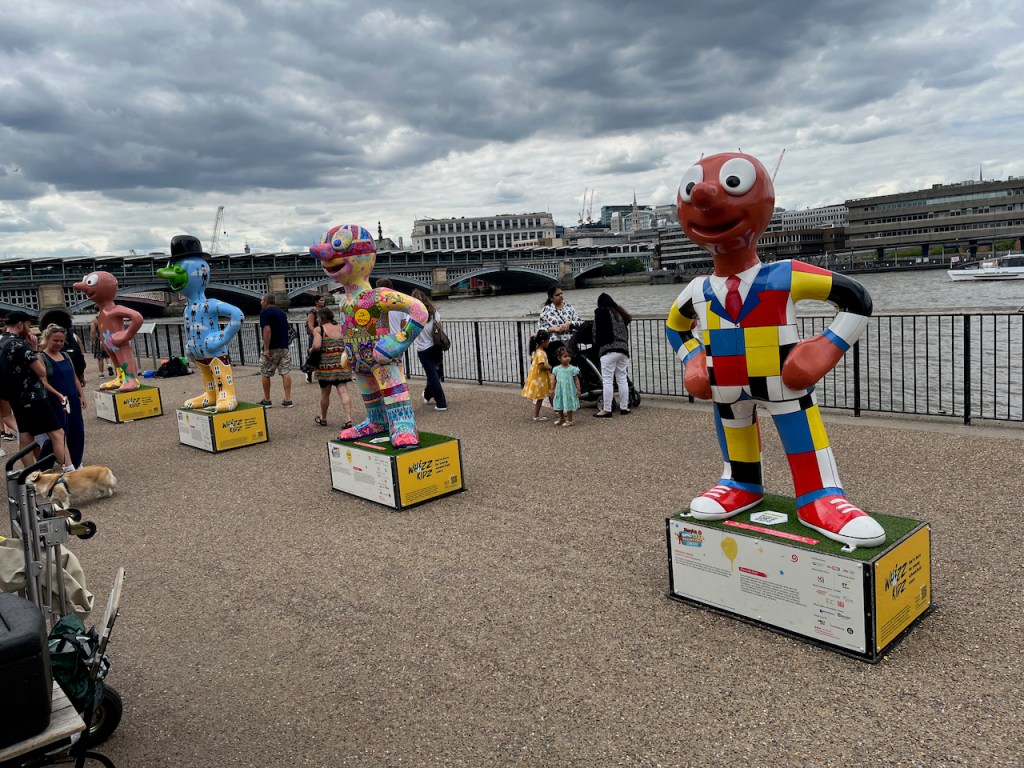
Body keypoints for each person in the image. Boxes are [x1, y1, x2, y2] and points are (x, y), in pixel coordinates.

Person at [0, 311, 74, 471]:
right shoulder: (19, 345)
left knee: (26, 437)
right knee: (57, 434)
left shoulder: (3, 342)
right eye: (28, 325)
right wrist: (34, 349)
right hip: (34, 397)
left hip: (16, 397)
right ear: (20, 324)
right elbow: (42, 371)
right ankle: (69, 471)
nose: (31, 328)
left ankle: (30, 476)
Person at [37, 324, 87, 468]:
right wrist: (57, 393)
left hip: (72, 400)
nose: (59, 344)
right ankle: (43, 467)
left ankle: (76, 464)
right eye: (55, 340)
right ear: (47, 339)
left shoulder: (65, 355)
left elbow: (75, 378)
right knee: (57, 435)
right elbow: (43, 381)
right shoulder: (42, 357)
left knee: (77, 432)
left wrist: (82, 396)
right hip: (56, 401)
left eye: (61, 341)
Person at [311, 307, 354, 428]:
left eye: (318, 317)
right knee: (343, 391)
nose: (317, 319)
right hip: (341, 365)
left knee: (325, 393)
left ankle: (323, 418)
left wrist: (311, 349)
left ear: (321, 318)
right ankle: (348, 419)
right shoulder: (341, 328)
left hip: (325, 367)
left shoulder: (319, 329)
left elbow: (317, 346)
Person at [593, 293, 632, 418]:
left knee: (608, 381)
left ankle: (607, 409)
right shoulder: (620, 314)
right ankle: (624, 407)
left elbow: (595, 332)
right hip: (623, 351)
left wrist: (597, 344)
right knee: (622, 379)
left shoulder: (601, 312)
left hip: (608, 350)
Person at [411, 289, 447, 411]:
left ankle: (441, 402)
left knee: (432, 375)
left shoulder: (412, 316)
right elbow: (439, 328)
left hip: (423, 349)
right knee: (435, 373)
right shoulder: (434, 313)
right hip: (436, 347)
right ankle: (427, 394)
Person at [258, 294, 294, 408]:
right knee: (285, 372)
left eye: (261, 300)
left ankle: (267, 400)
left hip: (272, 347)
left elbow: (267, 330)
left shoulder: (264, 313)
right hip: (283, 346)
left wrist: (266, 348)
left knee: (266, 373)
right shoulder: (282, 313)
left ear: (266, 301)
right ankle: (288, 399)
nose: (260, 302)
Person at [538, 286, 581, 367]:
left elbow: (579, 322)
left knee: (572, 367)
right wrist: (553, 328)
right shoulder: (546, 310)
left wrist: (570, 323)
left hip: (570, 342)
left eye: (561, 293)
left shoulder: (569, 307)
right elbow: (541, 328)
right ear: (551, 298)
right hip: (555, 344)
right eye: (557, 295)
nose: (561, 296)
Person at [521, 329, 552, 421]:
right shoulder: (541, 353)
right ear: (543, 341)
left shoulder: (536, 351)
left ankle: (558, 411)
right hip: (540, 378)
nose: (548, 343)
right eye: (547, 341)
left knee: (549, 394)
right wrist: (551, 368)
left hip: (539, 377)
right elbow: (542, 366)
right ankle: (536, 416)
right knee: (541, 397)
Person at [550, 347, 581, 427]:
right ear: (559, 358)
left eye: (569, 356)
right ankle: (561, 418)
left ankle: (570, 420)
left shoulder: (572, 369)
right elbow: (553, 380)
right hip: (560, 390)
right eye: (565, 356)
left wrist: (578, 390)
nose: (568, 358)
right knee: (559, 404)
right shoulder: (556, 369)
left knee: (569, 404)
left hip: (569, 390)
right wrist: (552, 389)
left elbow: (576, 380)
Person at [304, 295, 327, 383]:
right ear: (316, 302)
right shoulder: (312, 312)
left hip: (325, 334)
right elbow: (310, 324)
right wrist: (316, 334)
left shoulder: (325, 311)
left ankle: (323, 372)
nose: (323, 302)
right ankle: (308, 371)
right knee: (313, 353)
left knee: (324, 352)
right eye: (321, 300)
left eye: (323, 300)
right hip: (315, 335)